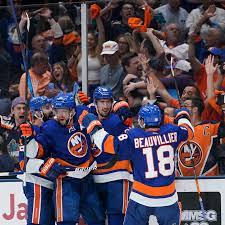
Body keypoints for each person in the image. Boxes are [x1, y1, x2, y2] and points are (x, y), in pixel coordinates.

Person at [78, 104, 194, 225]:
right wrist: (182, 115)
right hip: (168, 198)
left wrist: (93, 125)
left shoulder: (134, 136)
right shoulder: (172, 131)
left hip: (141, 198)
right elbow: (189, 131)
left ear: (142, 121)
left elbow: (107, 144)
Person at [20, 93, 104, 225]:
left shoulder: (81, 114)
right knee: (60, 221)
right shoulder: (48, 128)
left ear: (72, 111)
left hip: (86, 179)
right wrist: (29, 139)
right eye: (57, 111)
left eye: (64, 111)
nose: (60, 115)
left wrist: (89, 106)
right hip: (56, 182)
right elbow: (28, 157)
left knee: (98, 219)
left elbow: (100, 112)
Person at [90, 87, 133, 225]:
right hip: (94, 179)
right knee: (95, 219)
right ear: (95, 103)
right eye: (102, 102)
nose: (105, 106)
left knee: (117, 219)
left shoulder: (120, 121)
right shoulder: (87, 119)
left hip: (118, 178)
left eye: (108, 101)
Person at [20, 96, 55, 225]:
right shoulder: (28, 131)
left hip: (49, 184)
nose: (51, 111)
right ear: (37, 113)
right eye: (47, 108)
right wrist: (45, 166)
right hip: (37, 184)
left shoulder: (49, 129)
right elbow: (24, 163)